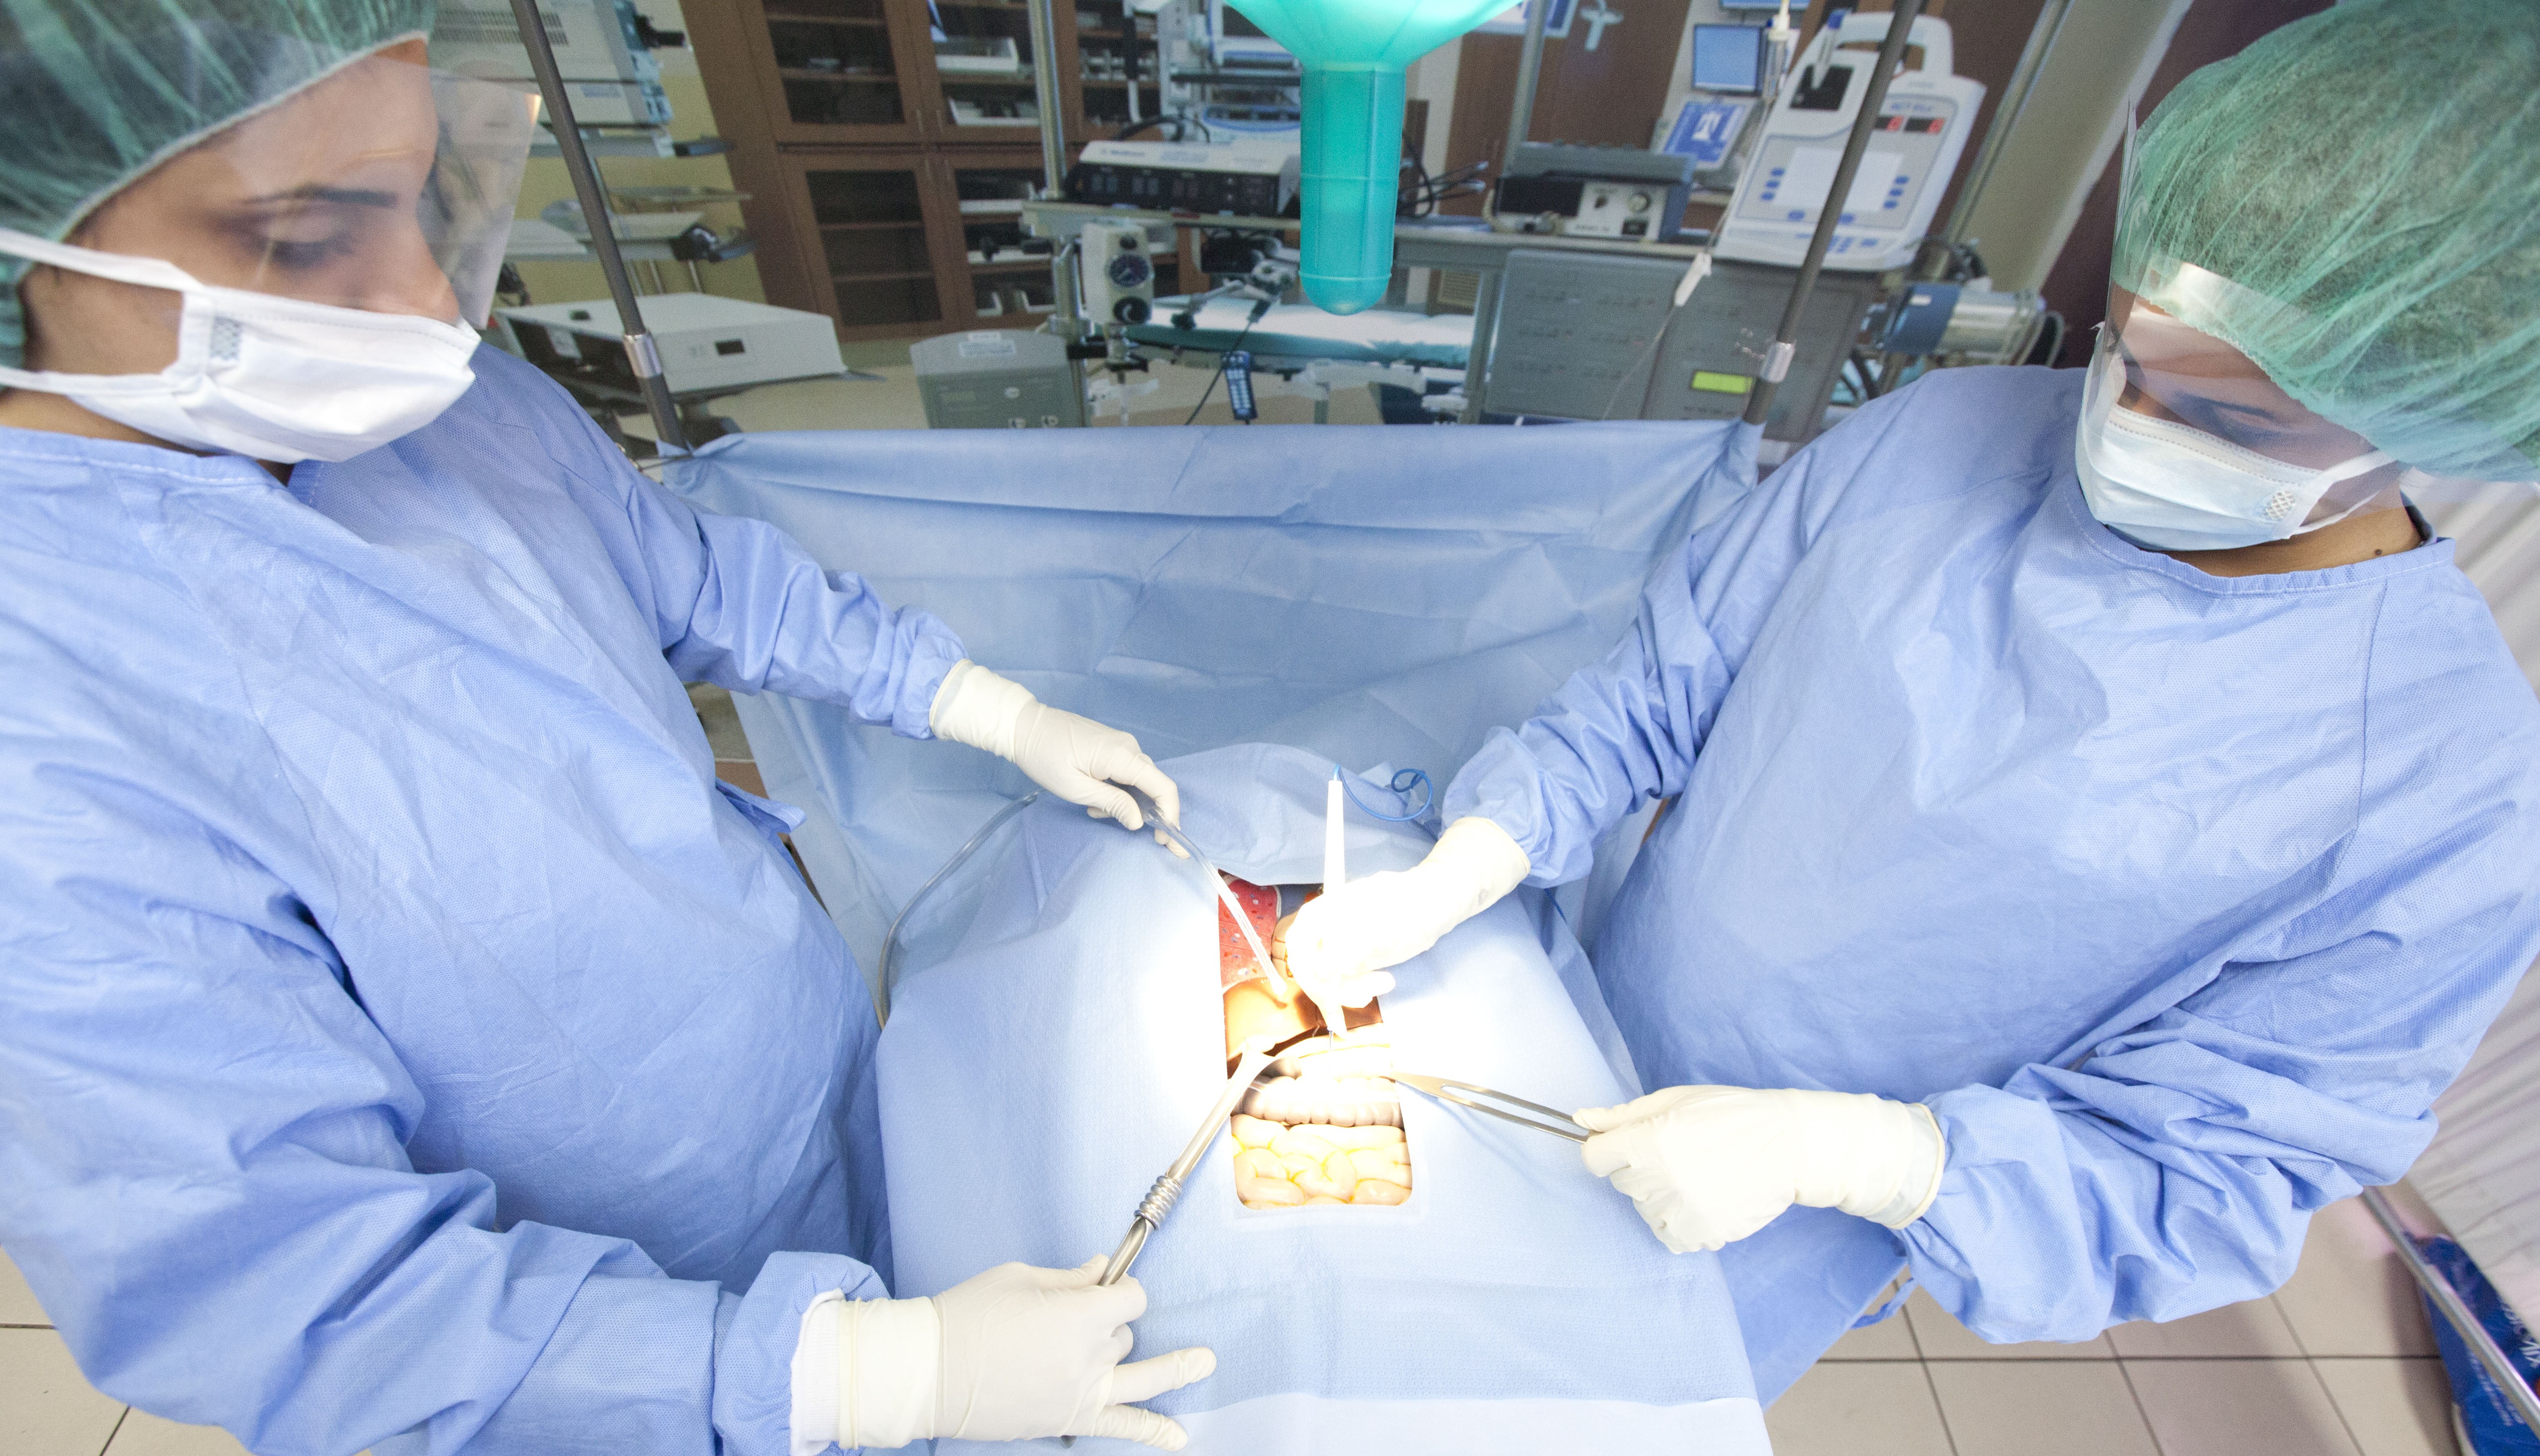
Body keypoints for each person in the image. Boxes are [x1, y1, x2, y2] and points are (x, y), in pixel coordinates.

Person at [1280, 0, 2540, 1398]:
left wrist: (1868, 1157)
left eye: (2222, 415)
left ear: (2422, 416)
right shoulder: (1945, 434)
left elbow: (2210, 1169)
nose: (2126, 423)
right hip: (1575, 1019)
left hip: (1782, 1222)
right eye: (2123, 355)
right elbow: (1668, 681)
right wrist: (1484, 849)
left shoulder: (2441, 790)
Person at [0, 6, 1210, 1453]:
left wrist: (981, 706)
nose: (428, 305)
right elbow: (303, 1298)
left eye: (423, 195)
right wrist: (863, 1379)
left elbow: (687, 575)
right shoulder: (46, 731)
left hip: (807, 1097)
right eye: (306, 238)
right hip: (614, 1332)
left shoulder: (436, 409)